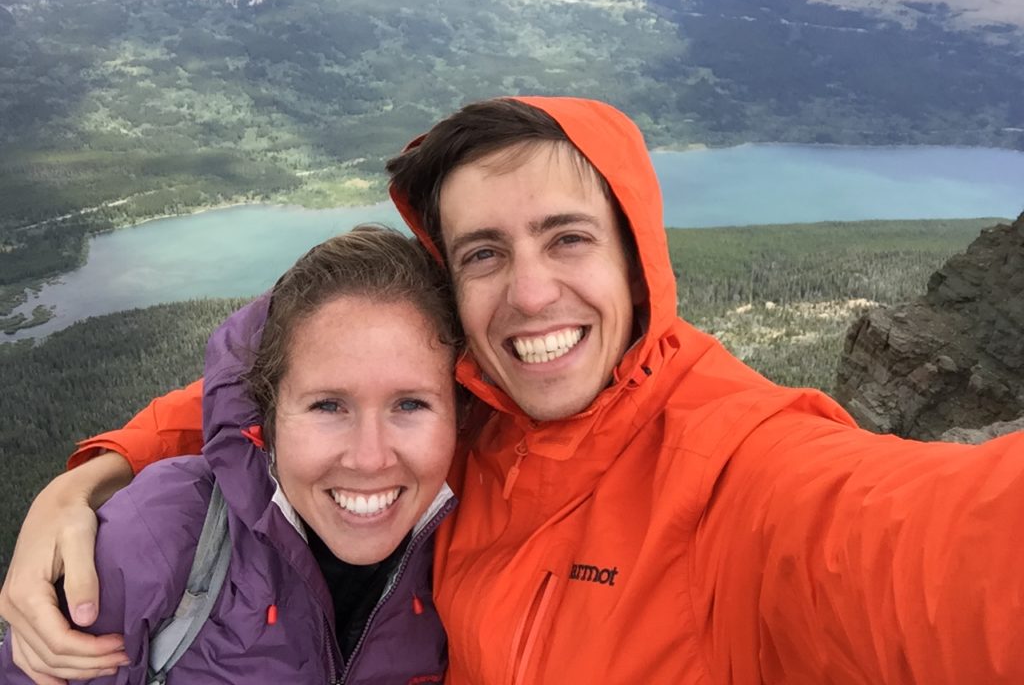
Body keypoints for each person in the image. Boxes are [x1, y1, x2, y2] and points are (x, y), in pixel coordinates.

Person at [3, 97, 1024, 684]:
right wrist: (101, 471)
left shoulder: (742, 470)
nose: (530, 296)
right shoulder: (477, 401)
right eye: (484, 253)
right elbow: (286, 387)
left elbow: (935, 547)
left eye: (568, 238)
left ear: (637, 260)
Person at [0, 225, 460, 684]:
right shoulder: (154, 543)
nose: (370, 458)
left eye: (410, 404)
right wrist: (84, 481)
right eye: (327, 405)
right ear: (266, 415)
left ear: (461, 413)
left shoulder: (468, 537)